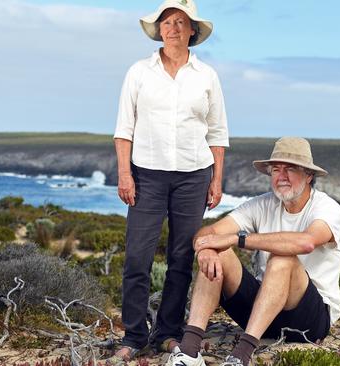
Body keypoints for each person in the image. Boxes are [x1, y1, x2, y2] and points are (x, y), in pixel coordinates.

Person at [112, 0, 229, 361]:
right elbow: (123, 129)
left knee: (180, 259)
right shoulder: (139, 72)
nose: (172, 27)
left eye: (180, 21)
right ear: (158, 29)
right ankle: (133, 336)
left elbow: (218, 132)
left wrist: (216, 179)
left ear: (192, 30)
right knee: (137, 258)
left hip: (194, 177)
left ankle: (167, 333)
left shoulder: (206, 75)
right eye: (166, 21)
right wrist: (125, 173)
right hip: (146, 176)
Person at [166, 137, 340, 366]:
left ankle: (241, 356)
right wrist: (206, 249)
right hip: (263, 312)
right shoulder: (261, 204)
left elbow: (306, 242)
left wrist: (238, 239)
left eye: (290, 169)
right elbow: (208, 232)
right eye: (276, 169)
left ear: (309, 175)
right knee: (218, 252)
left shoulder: (326, 208)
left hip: (310, 320)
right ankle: (189, 351)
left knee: (283, 259)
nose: (282, 176)